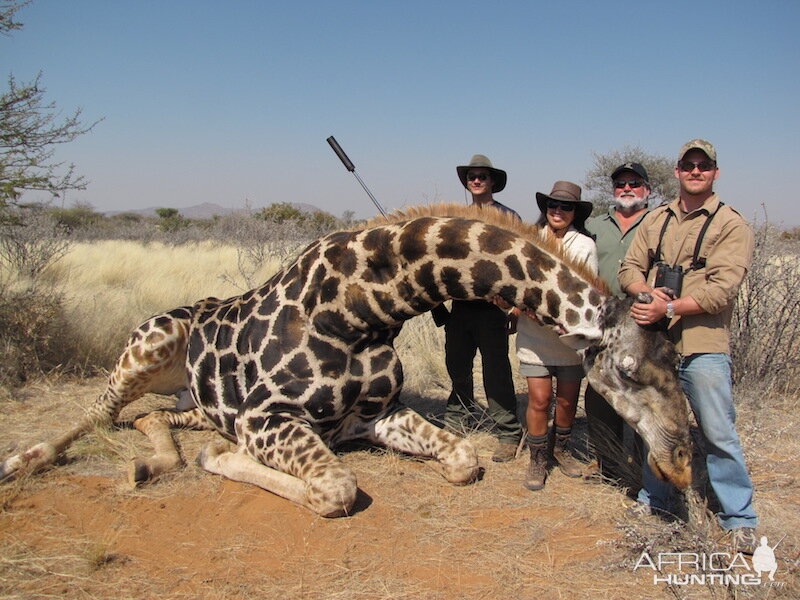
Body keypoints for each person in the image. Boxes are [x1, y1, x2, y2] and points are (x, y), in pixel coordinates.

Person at [618, 139, 758, 554]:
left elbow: (722, 291)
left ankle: (739, 518)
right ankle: (655, 500)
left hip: (703, 345)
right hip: (657, 344)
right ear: (677, 171)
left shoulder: (732, 224)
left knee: (718, 433)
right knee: (658, 426)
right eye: (688, 165)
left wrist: (670, 305)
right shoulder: (657, 218)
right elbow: (630, 268)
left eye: (704, 165)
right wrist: (647, 297)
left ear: (715, 172)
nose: (695, 171)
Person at [432, 154, 523, 462]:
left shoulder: (508, 217)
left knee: (496, 370)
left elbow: (517, 266)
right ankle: (458, 421)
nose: (477, 180)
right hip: (460, 307)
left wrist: (513, 307)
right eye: (472, 175)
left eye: (482, 175)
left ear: (492, 181)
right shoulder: (455, 217)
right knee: (457, 366)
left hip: (492, 308)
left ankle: (508, 432)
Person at [514, 181, 597, 490]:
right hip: (534, 337)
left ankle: (560, 450)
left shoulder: (584, 245)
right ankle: (537, 459)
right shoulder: (528, 241)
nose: (557, 211)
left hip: (570, 338)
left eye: (565, 206)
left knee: (565, 402)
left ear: (575, 212)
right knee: (539, 399)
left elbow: (585, 294)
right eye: (552, 205)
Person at [584, 163, 651, 479]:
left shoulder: (660, 223)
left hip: (646, 324)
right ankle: (608, 465)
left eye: (634, 183)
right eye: (621, 184)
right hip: (603, 323)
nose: (627, 188)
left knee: (642, 394)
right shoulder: (594, 225)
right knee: (599, 391)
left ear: (646, 189)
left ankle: (642, 467)